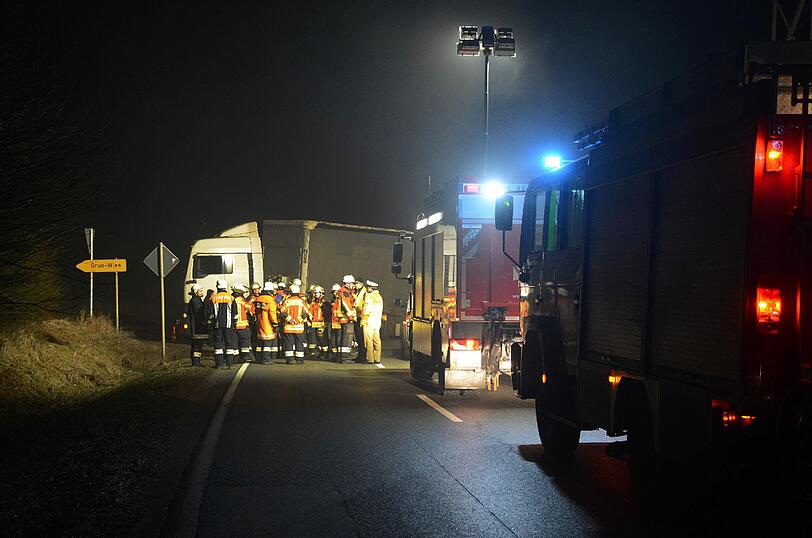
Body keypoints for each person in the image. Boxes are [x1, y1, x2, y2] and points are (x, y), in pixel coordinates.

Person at [206, 279, 238, 369]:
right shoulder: (231, 298)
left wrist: (211, 323)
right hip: (229, 325)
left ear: (217, 287)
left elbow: (210, 313)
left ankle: (219, 364)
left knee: (218, 345)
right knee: (229, 344)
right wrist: (234, 323)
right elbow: (235, 312)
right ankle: (230, 364)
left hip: (217, 325)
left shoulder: (213, 298)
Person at [282, 283, 309, 364]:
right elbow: (306, 312)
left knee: (289, 343)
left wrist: (290, 320)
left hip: (288, 327)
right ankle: (299, 359)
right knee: (299, 343)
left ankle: (289, 359)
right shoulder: (301, 301)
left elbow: (282, 311)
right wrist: (297, 320)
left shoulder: (287, 301)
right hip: (299, 327)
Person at [254, 281, 279, 364]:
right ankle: (266, 359)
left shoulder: (258, 299)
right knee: (267, 343)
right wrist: (275, 323)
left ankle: (258, 358)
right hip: (267, 324)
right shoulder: (270, 300)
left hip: (259, 323)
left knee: (260, 343)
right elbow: (272, 313)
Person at [360, 280, 384, 364]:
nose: (367, 289)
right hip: (377, 321)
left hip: (369, 321)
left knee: (368, 340)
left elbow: (366, 310)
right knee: (377, 340)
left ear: (370, 288)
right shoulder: (379, 297)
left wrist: (363, 319)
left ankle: (370, 358)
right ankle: (377, 358)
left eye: (367, 287)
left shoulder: (370, 297)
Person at [232, 283, 253, 363]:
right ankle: (246, 357)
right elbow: (250, 308)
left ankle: (235, 358)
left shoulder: (232, 299)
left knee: (235, 343)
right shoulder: (241, 300)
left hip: (234, 326)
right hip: (243, 326)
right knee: (244, 343)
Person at [187, 284, 208, 367]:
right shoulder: (195, 301)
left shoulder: (196, 300)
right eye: (200, 291)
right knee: (197, 345)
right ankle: (196, 363)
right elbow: (199, 314)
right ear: (196, 292)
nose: (202, 292)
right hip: (197, 327)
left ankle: (197, 362)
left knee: (198, 345)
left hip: (197, 327)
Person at [338, 275, 357, 364]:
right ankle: (345, 357)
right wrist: (351, 317)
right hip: (346, 319)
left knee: (344, 337)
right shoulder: (345, 292)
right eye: (352, 283)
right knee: (347, 338)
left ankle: (343, 356)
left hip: (344, 319)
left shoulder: (345, 291)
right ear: (348, 283)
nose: (353, 285)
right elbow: (346, 305)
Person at [307, 286, 327, 359]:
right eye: (314, 293)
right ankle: (313, 352)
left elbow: (326, 313)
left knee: (321, 338)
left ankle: (325, 353)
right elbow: (309, 311)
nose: (315, 294)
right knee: (312, 338)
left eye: (317, 293)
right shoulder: (312, 302)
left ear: (321, 293)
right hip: (313, 323)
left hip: (321, 323)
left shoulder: (325, 303)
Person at [353, 279, 367, 363]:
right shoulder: (358, 292)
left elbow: (361, 305)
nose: (355, 285)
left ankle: (362, 356)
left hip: (361, 317)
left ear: (361, 284)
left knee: (361, 338)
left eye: (356, 284)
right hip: (358, 316)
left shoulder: (364, 293)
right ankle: (360, 355)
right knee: (358, 338)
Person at [328, 283, 342, 362]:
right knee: (333, 339)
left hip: (340, 322)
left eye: (336, 291)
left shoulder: (341, 300)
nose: (335, 293)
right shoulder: (332, 300)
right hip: (333, 322)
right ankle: (334, 354)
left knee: (338, 339)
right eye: (333, 292)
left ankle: (339, 356)